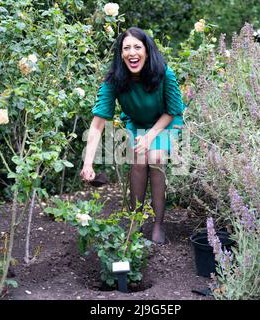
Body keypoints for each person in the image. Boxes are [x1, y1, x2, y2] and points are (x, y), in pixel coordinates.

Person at [80, 27, 185, 244]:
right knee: (138, 160)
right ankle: (135, 222)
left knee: (155, 157)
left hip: (166, 123)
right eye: (126, 48)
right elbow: (98, 123)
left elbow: (173, 111)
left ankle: (158, 224)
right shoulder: (114, 80)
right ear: (120, 54)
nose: (132, 52)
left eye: (137, 47)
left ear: (147, 51)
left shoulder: (165, 73)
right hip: (136, 124)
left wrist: (149, 137)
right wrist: (88, 163)